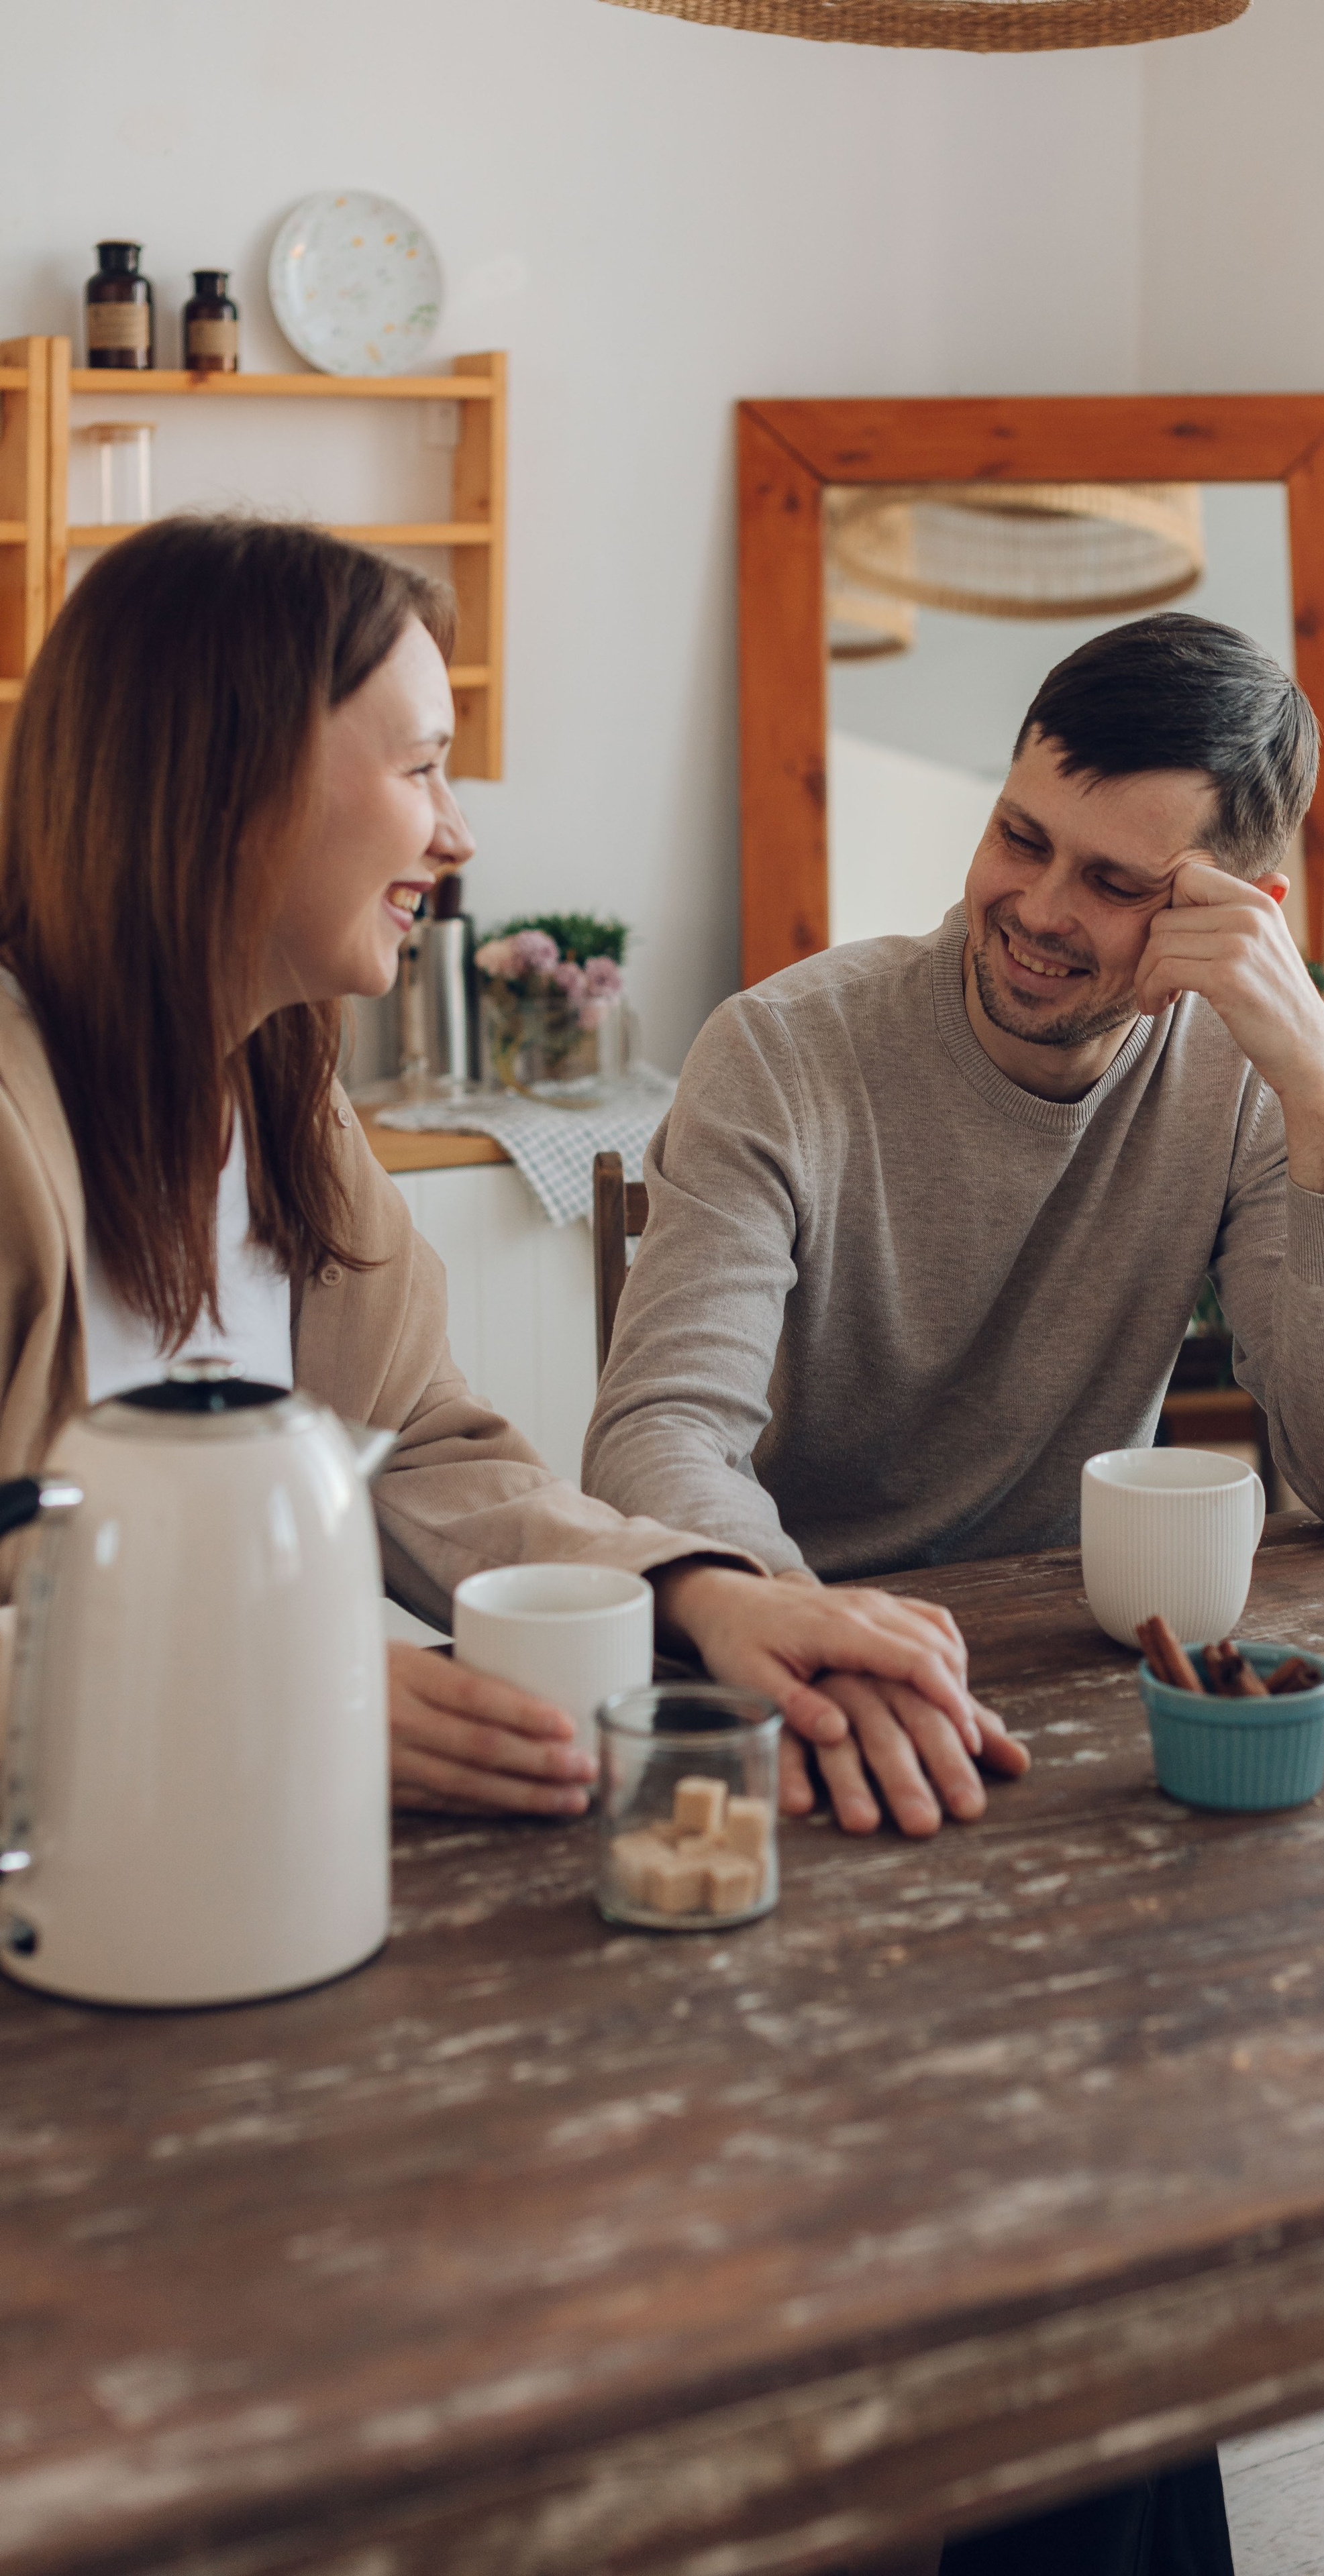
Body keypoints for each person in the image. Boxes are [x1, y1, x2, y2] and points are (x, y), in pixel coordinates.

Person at [0, 515, 1012, 1835]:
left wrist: (704, 1596)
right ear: (230, 781)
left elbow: (418, 1444)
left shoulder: (285, 1094)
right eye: (424, 768)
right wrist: (269, 1692)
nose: (457, 835)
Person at [584, 614, 1324, 1778]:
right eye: (1019, 836)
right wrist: (790, 1618)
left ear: (1236, 910)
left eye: (1114, 882)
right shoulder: (781, 1052)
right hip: (800, 1653)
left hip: (1087, 1667)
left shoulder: (1244, 1079)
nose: (1039, 909)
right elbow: (660, 1432)